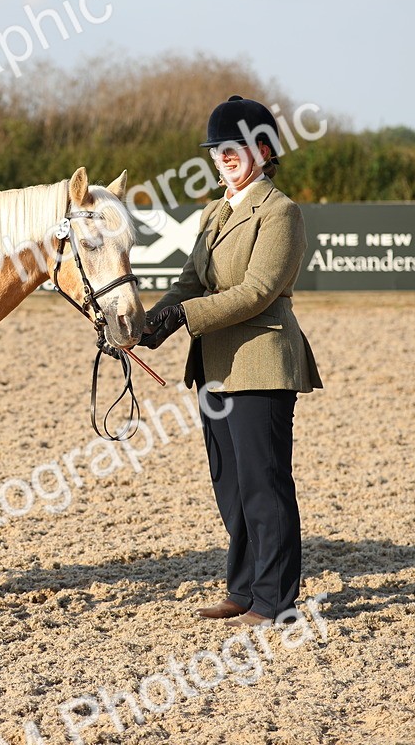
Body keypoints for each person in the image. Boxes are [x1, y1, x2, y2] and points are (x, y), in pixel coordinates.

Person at [139, 95, 322, 628]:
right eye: (218, 149)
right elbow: (191, 281)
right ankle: (242, 590)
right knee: (232, 485)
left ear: (264, 150)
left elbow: (259, 291)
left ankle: (276, 601)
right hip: (214, 367)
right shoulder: (216, 211)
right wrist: (149, 322)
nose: (224, 156)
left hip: (262, 363)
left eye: (234, 148)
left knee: (265, 484)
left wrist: (183, 317)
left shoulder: (281, 212)